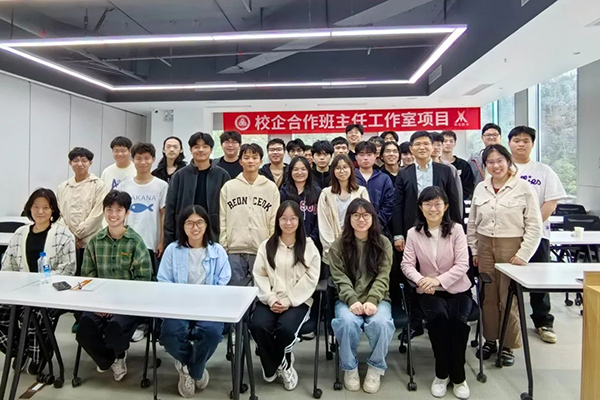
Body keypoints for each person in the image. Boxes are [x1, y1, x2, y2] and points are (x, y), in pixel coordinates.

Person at [467, 144, 542, 366]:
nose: (495, 166)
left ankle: (508, 345)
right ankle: (490, 340)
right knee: (488, 296)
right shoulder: (481, 187)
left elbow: (534, 225)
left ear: (508, 161)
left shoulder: (523, 188)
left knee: (509, 297)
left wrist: (524, 254)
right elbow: (472, 223)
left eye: (499, 161)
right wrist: (474, 250)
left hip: (511, 248)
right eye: (490, 162)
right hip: (484, 247)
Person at [401, 186, 472, 399]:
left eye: (437, 204)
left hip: (458, 289)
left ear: (446, 206)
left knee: (457, 321)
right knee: (439, 318)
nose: (433, 209)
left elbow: (463, 264)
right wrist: (422, 280)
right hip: (428, 291)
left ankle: (458, 376)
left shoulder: (456, 230)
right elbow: (407, 265)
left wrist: (438, 280)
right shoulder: (413, 233)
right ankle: (442, 374)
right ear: (421, 207)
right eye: (428, 204)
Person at [76, 190, 153, 382]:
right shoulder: (95, 242)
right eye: (109, 209)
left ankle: (117, 355)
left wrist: (117, 305)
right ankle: (109, 359)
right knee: (83, 328)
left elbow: (143, 280)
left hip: (127, 305)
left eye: (119, 210)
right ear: (104, 211)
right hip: (98, 302)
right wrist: (99, 303)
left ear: (127, 213)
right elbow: (87, 276)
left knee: (115, 328)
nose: (113, 214)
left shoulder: (136, 242)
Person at [158, 205, 231, 398]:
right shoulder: (172, 250)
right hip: (178, 306)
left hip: (209, 307)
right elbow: (164, 280)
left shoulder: (218, 251)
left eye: (199, 222)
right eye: (189, 223)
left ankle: (191, 370)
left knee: (212, 332)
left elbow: (224, 280)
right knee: (169, 334)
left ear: (206, 225)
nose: (195, 227)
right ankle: (194, 368)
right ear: (182, 226)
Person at [0, 188, 76, 373]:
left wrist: (41, 285)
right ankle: (19, 350)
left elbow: (68, 269)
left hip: (51, 293)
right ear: (29, 208)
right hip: (21, 291)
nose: (40, 211)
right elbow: (7, 266)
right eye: (36, 207)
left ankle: (37, 356)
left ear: (53, 210)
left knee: (34, 314)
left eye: (46, 207)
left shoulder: (63, 234)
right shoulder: (20, 233)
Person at [250, 201, 321, 391]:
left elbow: (311, 278)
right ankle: (282, 363)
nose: (288, 223)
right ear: (277, 221)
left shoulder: (308, 247)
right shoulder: (266, 246)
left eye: (293, 219)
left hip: (298, 301)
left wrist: (289, 300)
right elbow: (259, 275)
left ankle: (277, 364)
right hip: (270, 299)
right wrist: (271, 298)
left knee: (285, 329)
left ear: (299, 220)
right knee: (257, 325)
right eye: (284, 218)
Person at [329, 198, 394, 394]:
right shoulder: (338, 245)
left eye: (366, 215)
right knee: (346, 323)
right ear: (348, 218)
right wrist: (352, 300)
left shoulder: (383, 243)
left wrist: (373, 300)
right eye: (356, 215)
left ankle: (375, 367)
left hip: (378, 298)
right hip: (347, 299)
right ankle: (349, 368)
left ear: (373, 218)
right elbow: (339, 278)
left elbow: (383, 276)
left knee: (382, 323)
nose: (361, 219)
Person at [509, 126, 566, 344]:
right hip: (508, 235)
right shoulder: (502, 168)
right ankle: (507, 321)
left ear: (532, 144)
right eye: (516, 140)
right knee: (506, 281)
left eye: (525, 140)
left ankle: (543, 322)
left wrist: (531, 227)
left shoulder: (544, 171)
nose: (521, 144)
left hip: (537, 236)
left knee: (539, 279)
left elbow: (550, 203)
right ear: (509, 143)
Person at [220, 143, 280, 285]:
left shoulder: (270, 187)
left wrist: (272, 245)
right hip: (234, 250)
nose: (250, 161)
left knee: (262, 290)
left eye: (254, 157)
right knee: (235, 291)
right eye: (246, 157)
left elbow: (274, 219)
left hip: (262, 249)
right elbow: (223, 217)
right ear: (240, 161)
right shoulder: (229, 187)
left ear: (261, 161)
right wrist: (224, 244)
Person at [392, 131, 462, 252]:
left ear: (432, 146)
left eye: (426, 143)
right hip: (412, 226)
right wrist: (398, 234)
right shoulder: (403, 173)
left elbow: (453, 201)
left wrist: (456, 229)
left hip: (441, 225)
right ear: (411, 148)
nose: (422, 147)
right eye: (417, 144)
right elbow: (398, 204)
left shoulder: (445, 170)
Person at [164, 132, 230, 247]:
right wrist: (169, 240)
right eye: (196, 147)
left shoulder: (222, 175)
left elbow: (228, 210)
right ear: (190, 150)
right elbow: (170, 209)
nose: (200, 150)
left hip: (214, 234)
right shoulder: (179, 176)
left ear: (211, 149)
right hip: (184, 235)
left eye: (205, 146)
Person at [57, 147, 109, 272]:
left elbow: (98, 214)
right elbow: (59, 214)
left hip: (91, 240)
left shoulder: (99, 185)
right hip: (67, 241)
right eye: (75, 161)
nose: (80, 164)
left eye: (84, 160)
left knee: (89, 275)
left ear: (90, 162)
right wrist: (71, 236)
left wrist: (78, 235)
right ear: (70, 163)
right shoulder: (63, 187)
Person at [317, 155, 369, 263]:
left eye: (345, 167)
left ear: (351, 169)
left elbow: (366, 219)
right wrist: (332, 248)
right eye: (338, 168)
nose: (342, 171)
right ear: (333, 171)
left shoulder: (361, 192)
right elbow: (323, 224)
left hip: (356, 247)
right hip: (333, 248)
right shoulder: (326, 194)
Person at [354, 141, 395, 234]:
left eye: (369, 154)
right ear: (356, 157)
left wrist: (377, 223)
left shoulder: (384, 179)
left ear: (375, 156)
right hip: (353, 228)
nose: (365, 158)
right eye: (361, 155)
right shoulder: (350, 177)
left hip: (379, 229)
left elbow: (389, 204)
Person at [280, 157, 321, 243]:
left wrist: (312, 239)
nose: (299, 172)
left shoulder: (317, 192)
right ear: (290, 172)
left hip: (313, 241)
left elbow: (320, 220)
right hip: (289, 240)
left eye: (303, 169)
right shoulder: (283, 192)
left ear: (308, 171)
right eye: (295, 169)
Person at [431, 132, 463, 217]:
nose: (436, 148)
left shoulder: (450, 168)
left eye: (439, 145)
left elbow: (457, 195)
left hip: (445, 214)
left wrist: (457, 216)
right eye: (433, 144)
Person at [441, 131, 475, 201]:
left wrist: (456, 198)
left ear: (455, 144)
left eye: (451, 141)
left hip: (458, 201)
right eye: (445, 141)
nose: (448, 143)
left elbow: (468, 186)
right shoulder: (436, 163)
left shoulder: (463, 165)